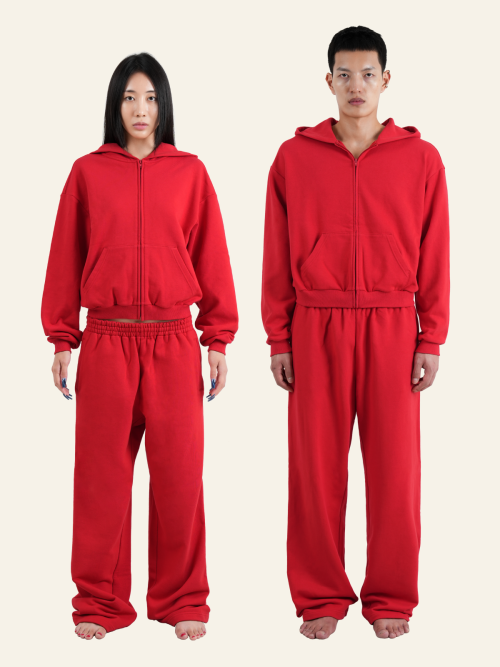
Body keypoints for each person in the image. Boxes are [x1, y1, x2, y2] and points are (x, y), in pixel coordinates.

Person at [41, 52, 238, 641]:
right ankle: (100, 604)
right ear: (115, 104)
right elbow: (65, 256)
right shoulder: (87, 173)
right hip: (106, 341)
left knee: (180, 479)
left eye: (150, 97)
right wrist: (62, 337)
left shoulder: (191, 173)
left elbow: (212, 256)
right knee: (100, 482)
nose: (140, 109)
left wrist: (217, 338)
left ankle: (182, 599)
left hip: (174, 341)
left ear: (164, 105)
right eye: (129, 97)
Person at [261, 26, 450, 640]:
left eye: (368, 74)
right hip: (315, 322)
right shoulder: (293, 158)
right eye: (344, 74)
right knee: (315, 471)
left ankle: (391, 594)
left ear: (386, 80)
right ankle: (320, 594)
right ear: (329, 81)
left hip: (393, 323)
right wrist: (279, 337)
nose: (356, 86)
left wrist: (430, 337)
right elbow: (275, 252)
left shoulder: (422, 159)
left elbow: (436, 254)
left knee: (395, 472)